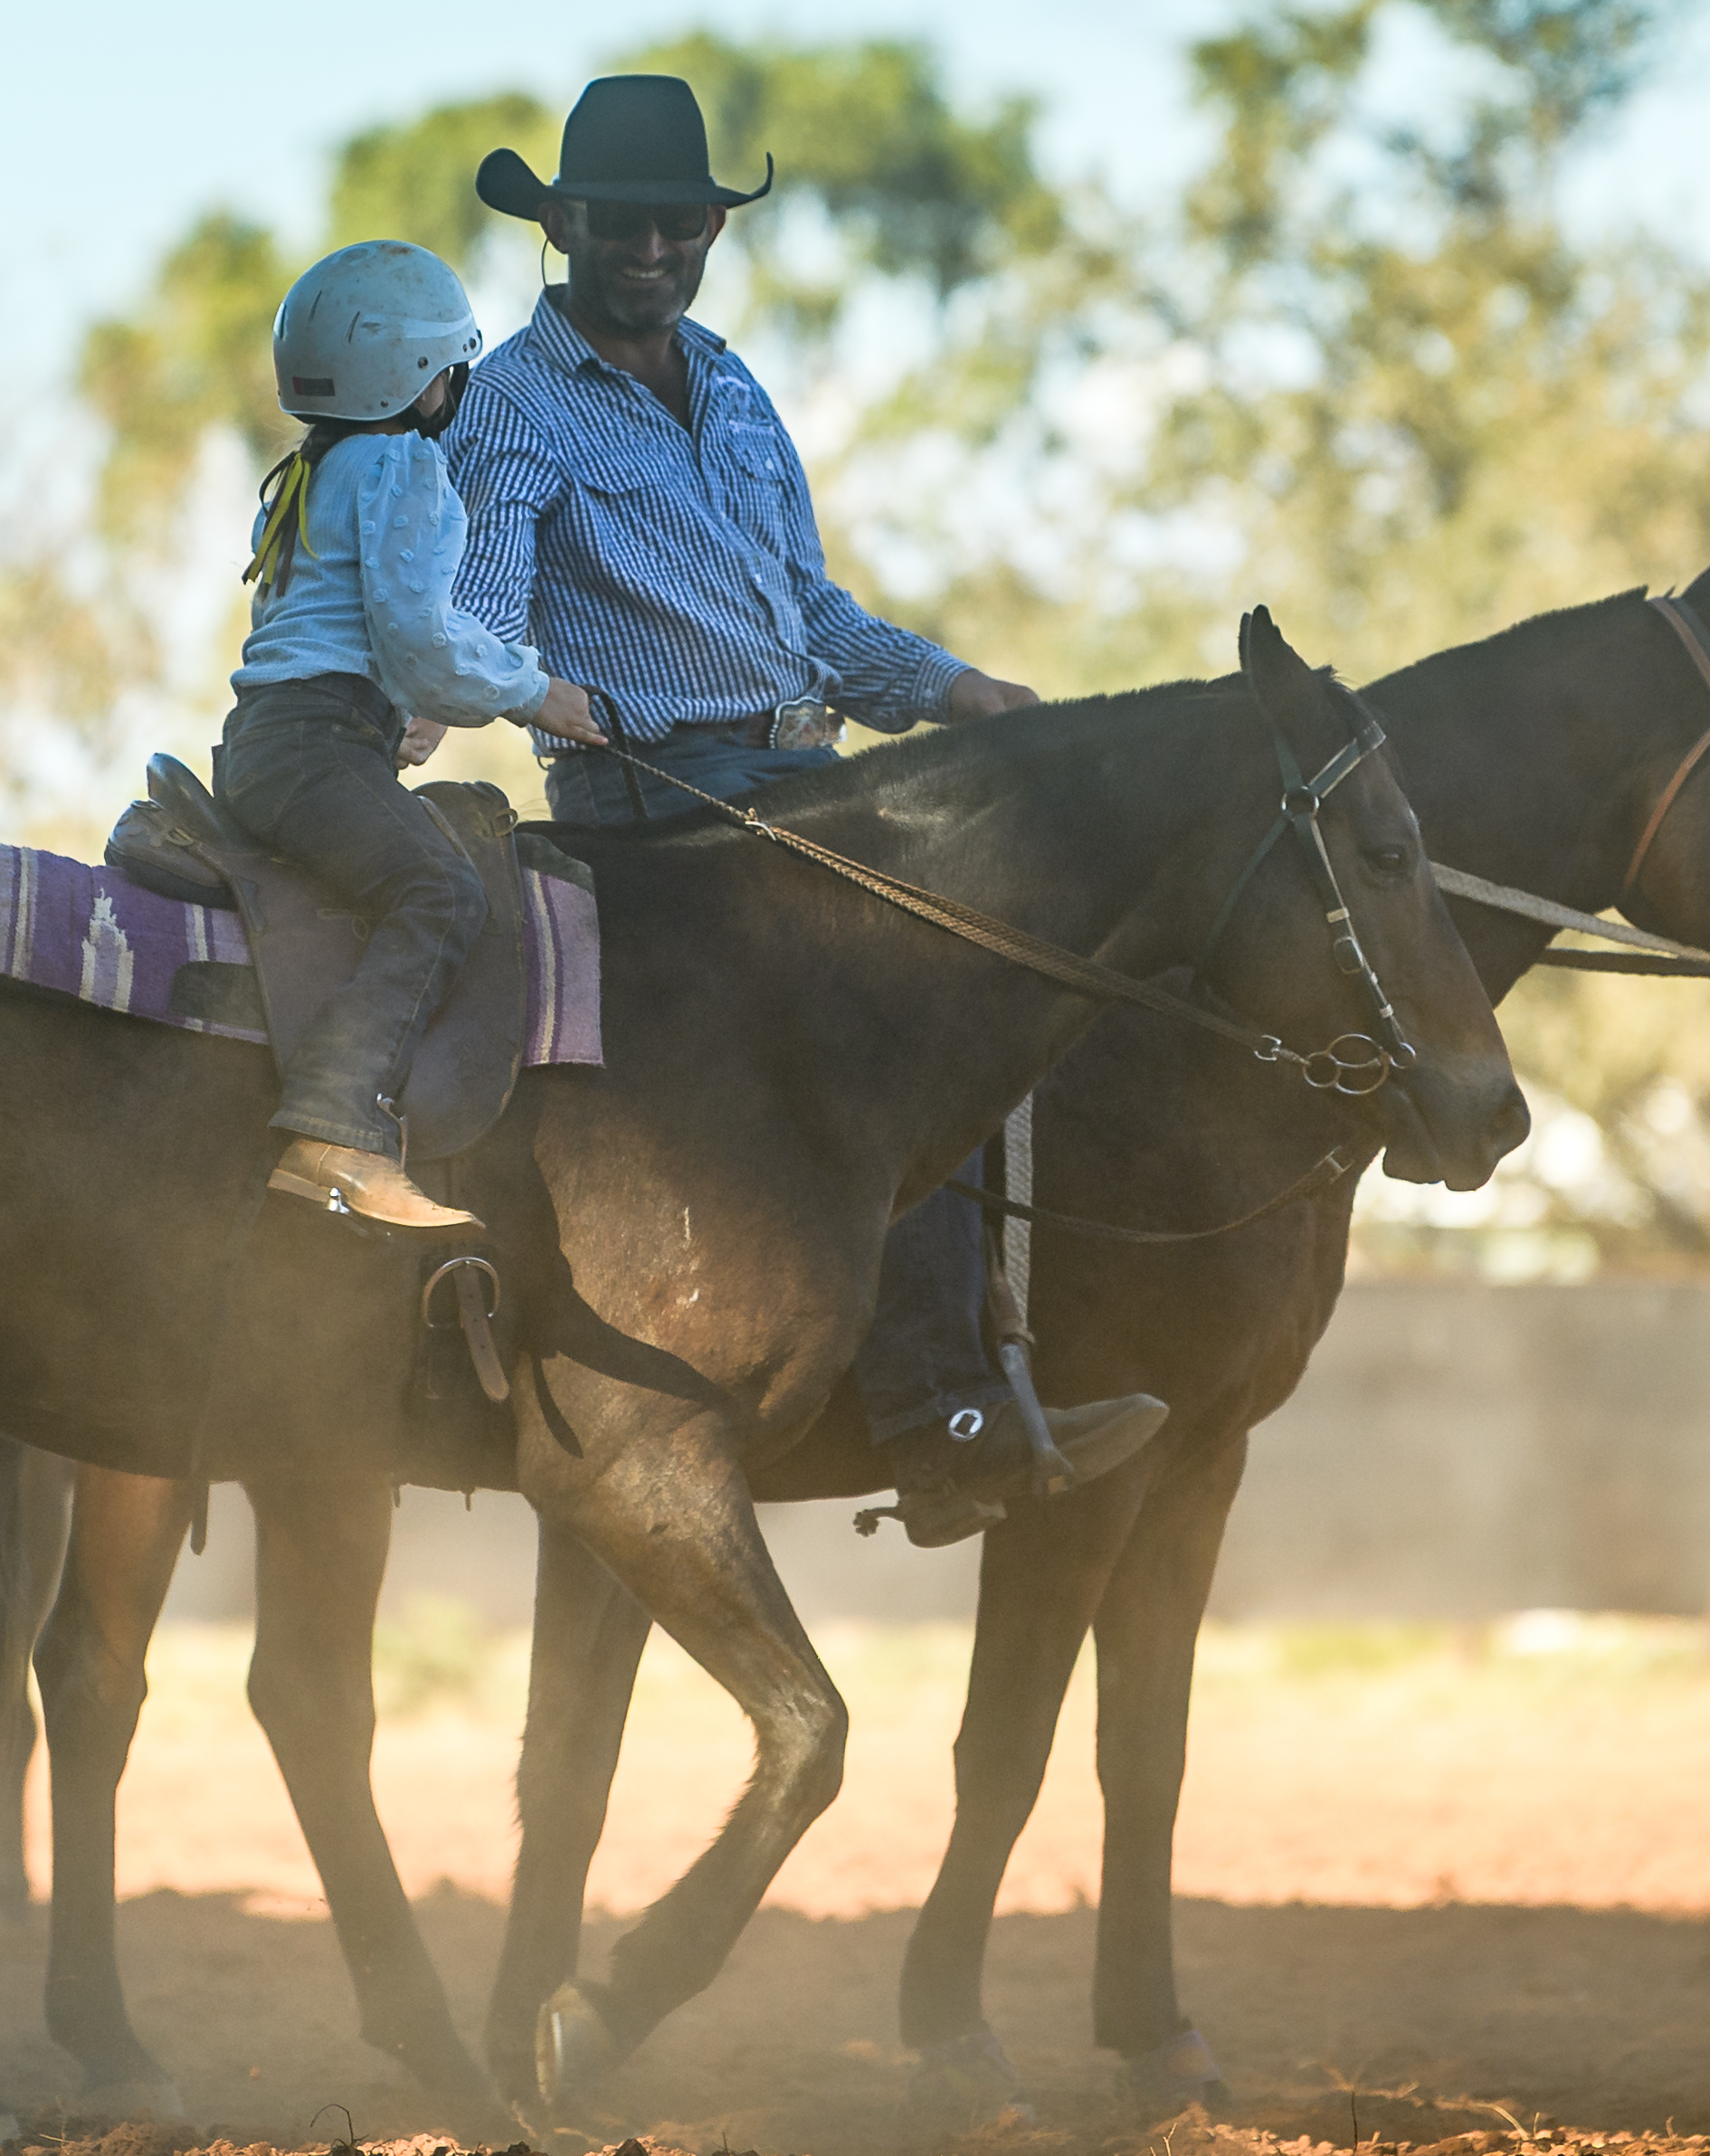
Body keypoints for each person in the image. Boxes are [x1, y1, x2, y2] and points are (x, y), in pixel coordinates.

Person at [448, 74, 1163, 1543]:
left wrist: (960, 692)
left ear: (709, 225)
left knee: (1020, 933)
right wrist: (574, 703)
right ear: (565, 226)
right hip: (655, 798)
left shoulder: (730, 382)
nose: (650, 247)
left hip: (803, 771)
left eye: (678, 221)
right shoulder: (510, 404)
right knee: (918, 981)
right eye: (618, 223)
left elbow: (814, 616)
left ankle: (1002, 1353)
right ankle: (936, 1412)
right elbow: (474, 628)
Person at [222, 240, 609, 1236]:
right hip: (317, 743)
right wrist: (536, 693)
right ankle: (334, 1128)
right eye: (452, 369)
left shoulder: (315, 469)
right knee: (438, 889)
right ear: (424, 377)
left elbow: (347, 632)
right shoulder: (404, 466)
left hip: (276, 739)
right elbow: (418, 631)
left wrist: (398, 710)